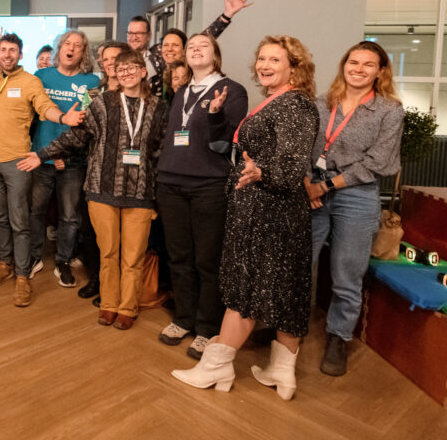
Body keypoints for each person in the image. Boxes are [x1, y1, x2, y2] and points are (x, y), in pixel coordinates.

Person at [172, 35, 319, 401]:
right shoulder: (279, 101)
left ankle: (215, 367)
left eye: (275, 60)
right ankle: (281, 372)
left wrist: (260, 172)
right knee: (285, 292)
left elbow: (291, 165)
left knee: (246, 290)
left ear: (294, 67)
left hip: (267, 213)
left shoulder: (295, 105)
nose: (265, 65)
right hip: (268, 209)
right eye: (262, 59)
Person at [20, 50, 167, 329]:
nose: (126, 73)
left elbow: (161, 152)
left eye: (132, 67)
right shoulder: (101, 103)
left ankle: (128, 307)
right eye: (120, 69)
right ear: (114, 72)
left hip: (140, 194)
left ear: (143, 71)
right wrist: (41, 154)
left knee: (133, 256)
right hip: (102, 189)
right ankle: (110, 304)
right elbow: (76, 136)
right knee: (109, 253)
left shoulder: (159, 108)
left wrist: (157, 198)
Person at [307, 41, 403, 376]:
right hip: (312, 187)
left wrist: (327, 185)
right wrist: (308, 181)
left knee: (347, 272)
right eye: (354, 62)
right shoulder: (323, 103)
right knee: (300, 263)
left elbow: (379, 162)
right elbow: (305, 146)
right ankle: (288, 327)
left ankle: (338, 336)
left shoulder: (390, 111)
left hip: (357, 194)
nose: (359, 69)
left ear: (381, 71)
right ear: (344, 65)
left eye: (368, 64)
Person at [155, 34, 248, 359]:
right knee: (179, 258)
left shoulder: (231, 90)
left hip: (208, 186)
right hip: (170, 184)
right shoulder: (181, 91)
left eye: (203, 46)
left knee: (207, 261)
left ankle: (207, 328)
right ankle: (183, 318)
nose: (195, 49)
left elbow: (226, 141)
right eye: (191, 46)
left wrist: (216, 114)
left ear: (216, 55)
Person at [0, 33, 84, 307]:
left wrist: (63, 116)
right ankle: (5, 263)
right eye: (3, 50)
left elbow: (44, 106)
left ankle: (23, 275)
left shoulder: (30, 81)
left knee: (19, 221)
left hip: (17, 162)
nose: (8, 55)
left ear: (20, 55)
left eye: (13, 50)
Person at [30, 31, 100, 287]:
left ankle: (63, 260)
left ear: (83, 53)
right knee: (35, 212)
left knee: (70, 217)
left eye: (77, 46)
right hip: (41, 158)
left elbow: (89, 123)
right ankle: (35, 256)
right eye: (67, 44)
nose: (71, 49)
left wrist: (64, 153)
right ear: (59, 49)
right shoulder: (41, 77)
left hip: (73, 161)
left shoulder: (91, 81)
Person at [126, 0, 253, 95]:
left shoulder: (192, 65)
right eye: (165, 45)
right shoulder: (154, 58)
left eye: (175, 45)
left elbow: (205, 37)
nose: (169, 49)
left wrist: (226, 15)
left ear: (185, 50)